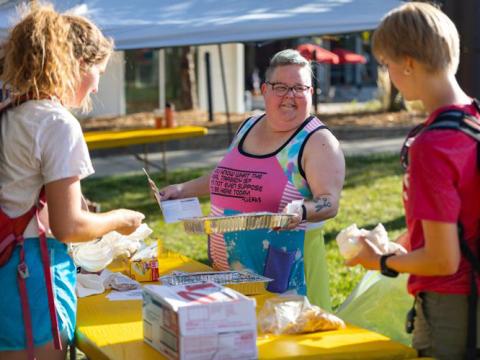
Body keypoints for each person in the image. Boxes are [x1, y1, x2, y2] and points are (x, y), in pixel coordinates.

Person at [0, 3, 144, 360]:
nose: (96, 86)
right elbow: (70, 227)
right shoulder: (56, 123)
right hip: (27, 275)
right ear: (77, 64)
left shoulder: (12, 112)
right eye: (98, 70)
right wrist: (120, 219)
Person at [160, 49, 345, 310]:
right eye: (281, 87)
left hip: (285, 285)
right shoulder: (249, 125)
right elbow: (230, 176)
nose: (290, 96)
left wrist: (301, 211)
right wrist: (182, 189)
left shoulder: (318, 142)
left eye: (299, 88)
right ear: (264, 90)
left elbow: (329, 202)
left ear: (311, 93)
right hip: (229, 275)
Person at [346, 3, 480, 360]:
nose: (389, 74)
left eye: (387, 64)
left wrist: (382, 262)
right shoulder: (473, 120)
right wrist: (402, 245)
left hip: (453, 310)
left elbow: (442, 260)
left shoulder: (431, 144)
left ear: (408, 62)